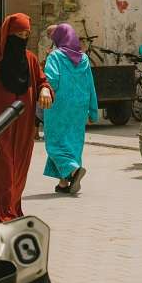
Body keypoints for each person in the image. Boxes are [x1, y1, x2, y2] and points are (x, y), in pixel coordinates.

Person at [0, 13, 53, 222]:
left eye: (26, 34)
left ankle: (12, 209)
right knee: (2, 171)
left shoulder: (30, 60)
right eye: (18, 34)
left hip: (23, 128)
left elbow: (43, 81)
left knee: (18, 173)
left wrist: (45, 90)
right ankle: (1, 213)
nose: (22, 38)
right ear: (8, 35)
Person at [42, 23, 99, 196]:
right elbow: (91, 86)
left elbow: (52, 81)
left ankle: (74, 171)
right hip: (79, 108)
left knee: (55, 144)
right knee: (73, 143)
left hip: (58, 106)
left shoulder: (55, 56)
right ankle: (63, 183)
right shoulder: (84, 59)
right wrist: (93, 111)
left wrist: (42, 89)